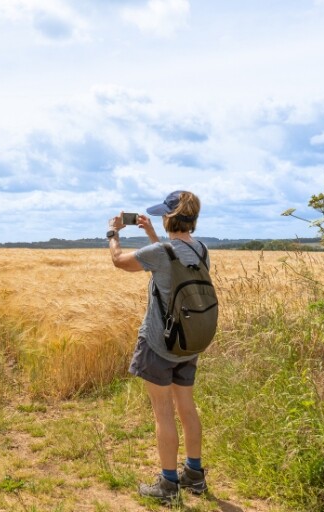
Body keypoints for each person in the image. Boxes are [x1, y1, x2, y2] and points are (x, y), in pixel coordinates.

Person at [107, 190, 209, 505]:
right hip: (189, 343)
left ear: (169, 217)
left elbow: (119, 262)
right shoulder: (202, 248)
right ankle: (194, 474)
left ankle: (167, 485)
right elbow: (170, 263)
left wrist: (112, 234)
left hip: (159, 344)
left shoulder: (160, 252)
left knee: (163, 413)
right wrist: (152, 234)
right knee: (186, 408)